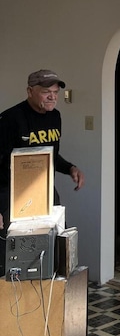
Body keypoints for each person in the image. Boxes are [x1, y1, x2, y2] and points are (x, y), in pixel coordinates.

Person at [0, 69, 85, 230]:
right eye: (46, 92)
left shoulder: (55, 116)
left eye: (55, 92)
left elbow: (49, 154)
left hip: (44, 193)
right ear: (30, 91)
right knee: (15, 249)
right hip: (10, 196)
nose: (52, 96)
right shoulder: (10, 119)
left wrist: (70, 168)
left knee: (56, 241)